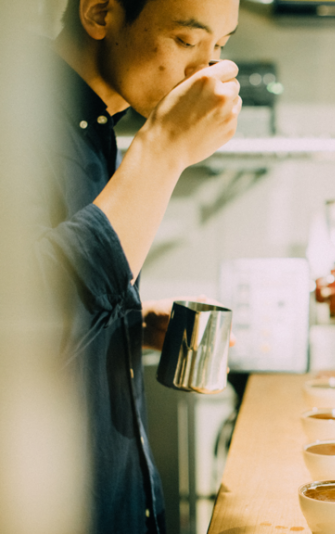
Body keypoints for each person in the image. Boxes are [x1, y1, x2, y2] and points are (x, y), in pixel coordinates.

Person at [32, 0, 242, 532]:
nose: (207, 72)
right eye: (186, 41)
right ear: (100, 13)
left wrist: (128, 319)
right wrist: (165, 148)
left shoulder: (97, 128)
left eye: (220, 47)